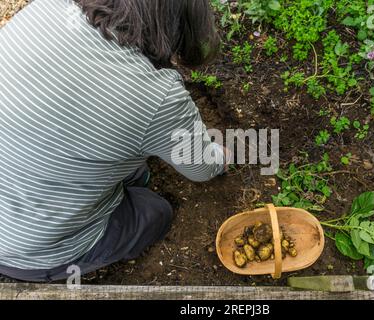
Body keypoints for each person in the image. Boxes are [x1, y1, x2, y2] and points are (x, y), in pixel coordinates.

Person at [0, 0, 228, 282]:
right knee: (154, 212)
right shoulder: (158, 95)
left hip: (18, 182)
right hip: (28, 252)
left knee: (130, 158)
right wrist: (219, 154)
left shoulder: (46, 7)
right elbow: (202, 169)